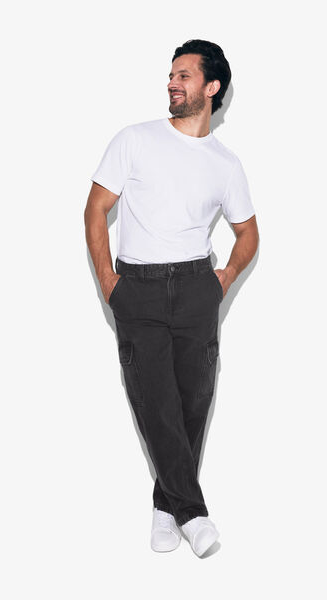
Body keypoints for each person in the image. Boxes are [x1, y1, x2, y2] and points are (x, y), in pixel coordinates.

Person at [84, 39, 259, 557]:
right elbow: (95, 209)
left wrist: (224, 277)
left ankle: (167, 507)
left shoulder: (225, 163)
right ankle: (194, 514)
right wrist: (108, 280)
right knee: (155, 402)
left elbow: (248, 232)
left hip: (196, 287)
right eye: (171, 75)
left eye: (184, 75)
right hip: (136, 288)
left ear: (212, 87)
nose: (172, 83)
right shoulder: (134, 140)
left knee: (193, 401)